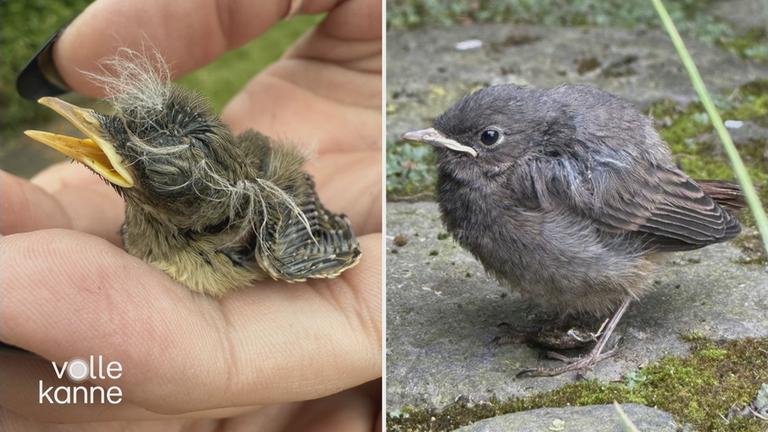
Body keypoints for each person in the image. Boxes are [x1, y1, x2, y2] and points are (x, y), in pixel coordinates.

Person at [0, 0, 382, 430]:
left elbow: (324, 241)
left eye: (147, 175)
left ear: (192, 215)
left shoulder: (273, 236)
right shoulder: (148, 223)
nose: (89, 121)